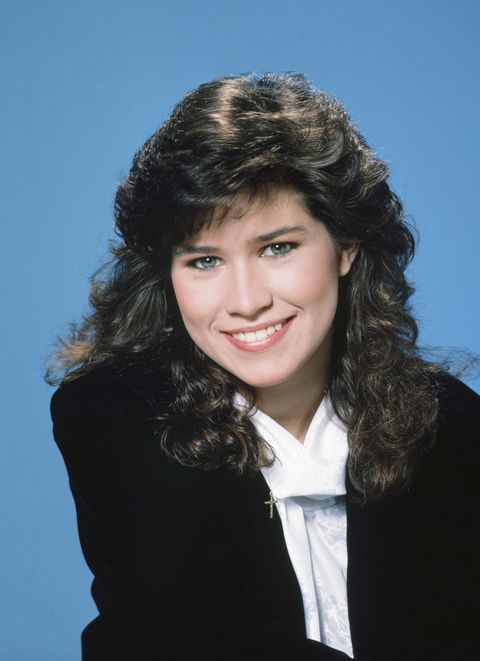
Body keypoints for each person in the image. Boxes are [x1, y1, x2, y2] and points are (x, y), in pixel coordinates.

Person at [49, 73, 480, 661]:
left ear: (345, 246)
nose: (246, 301)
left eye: (277, 247)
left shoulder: (450, 424)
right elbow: (190, 638)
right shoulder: (114, 418)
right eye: (204, 261)